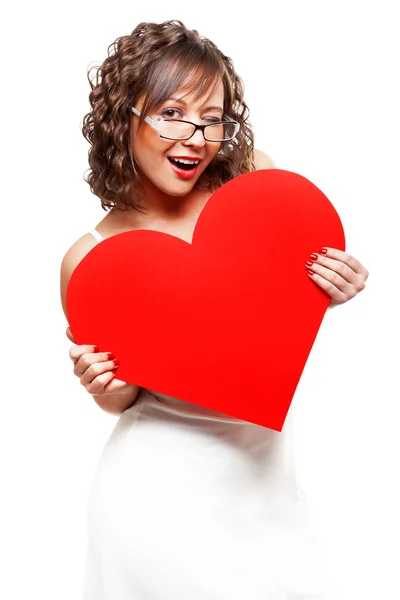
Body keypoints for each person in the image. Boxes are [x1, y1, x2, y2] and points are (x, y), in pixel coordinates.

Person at [60, 20, 368, 600]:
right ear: (123, 116)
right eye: (172, 113)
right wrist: (100, 383)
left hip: (270, 491)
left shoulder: (258, 194)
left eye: (212, 118)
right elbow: (121, 398)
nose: (195, 137)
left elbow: (280, 323)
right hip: (153, 501)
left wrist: (335, 284)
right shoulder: (92, 259)